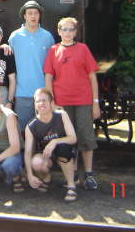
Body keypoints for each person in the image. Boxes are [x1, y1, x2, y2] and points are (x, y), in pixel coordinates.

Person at [44, 17, 100, 190]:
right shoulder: (53, 50)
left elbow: (92, 77)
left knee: (86, 137)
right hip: (62, 102)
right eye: (64, 29)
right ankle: (72, 175)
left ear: (75, 32)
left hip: (83, 100)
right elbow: (48, 78)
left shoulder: (83, 49)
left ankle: (89, 175)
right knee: (68, 139)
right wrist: (51, 102)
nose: (67, 33)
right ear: (59, 31)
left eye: (70, 30)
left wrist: (96, 102)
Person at [25, 88, 78, 202]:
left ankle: (71, 185)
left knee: (63, 149)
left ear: (51, 102)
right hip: (46, 156)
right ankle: (46, 178)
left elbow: (73, 138)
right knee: (36, 162)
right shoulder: (31, 125)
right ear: (35, 104)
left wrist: (55, 141)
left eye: (44, 100)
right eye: (38, 101)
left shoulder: (61, 115)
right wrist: (29, 175)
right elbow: (28, 152)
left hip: (64, 152)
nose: (41, 103)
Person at [8, 0, 55, 131]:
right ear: (24, 15)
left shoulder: (47, 37)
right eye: (30, 13)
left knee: (44, 131)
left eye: (36, 13)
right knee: (23, 131)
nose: (33, 16)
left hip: (43, 93)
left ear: (40, 15)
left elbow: (52, 66)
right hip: (22, 93)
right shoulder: (15, 37)